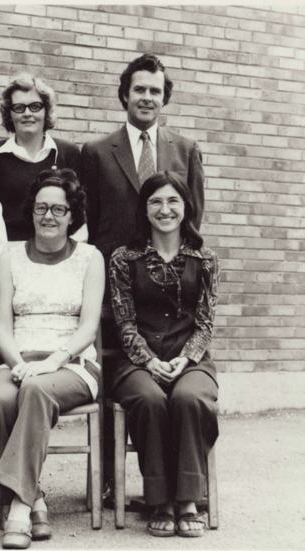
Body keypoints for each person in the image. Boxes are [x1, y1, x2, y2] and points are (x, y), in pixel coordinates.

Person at [80, 53, 205, 502]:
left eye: (155, 90)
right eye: (139, 89)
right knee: (134, 387)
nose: (147, 97)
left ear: (164, 97)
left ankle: (181, 486)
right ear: (125, 95)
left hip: (174, 301)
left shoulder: (186, 149)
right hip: (120, 296)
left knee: (183, 392)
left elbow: (193, 223)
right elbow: (90, 225)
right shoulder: (96, 153)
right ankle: (113, 482)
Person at [0, 169, 104, 549]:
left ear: (73, 215)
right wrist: (17, 362)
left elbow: (88, 326)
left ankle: (19, 508)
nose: (49, 216)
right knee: (1, 399)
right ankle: (35, 495)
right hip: (18, 359)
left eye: (59, 208)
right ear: (31, 211)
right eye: (41, 208)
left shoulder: (90, 257)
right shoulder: (8, 257)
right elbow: (3, 327)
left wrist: (54, 360)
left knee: (35, 391)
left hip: (72, 363)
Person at [109, 171, 219, 538]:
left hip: (191, 358)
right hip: (138, 359)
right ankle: (159, 500)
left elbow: (205, 322)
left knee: (191, 398)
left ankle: (188, 499)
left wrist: (185, 359)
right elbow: (124, 322)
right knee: (150, 399)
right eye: (155, 201)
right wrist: (149, 360)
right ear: (144, 209)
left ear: (185, 207)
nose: (165, 209)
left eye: (173, 201)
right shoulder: (124, 258)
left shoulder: (204, 258)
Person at [0, 74, 82, 282]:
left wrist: (69, 267)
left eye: (35, 106)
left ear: (46, 111)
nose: (27, 114)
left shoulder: (67, 153)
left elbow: (78, 217)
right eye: (19, 107)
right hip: (9, 262)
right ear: (10, 114)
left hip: (59, 262)